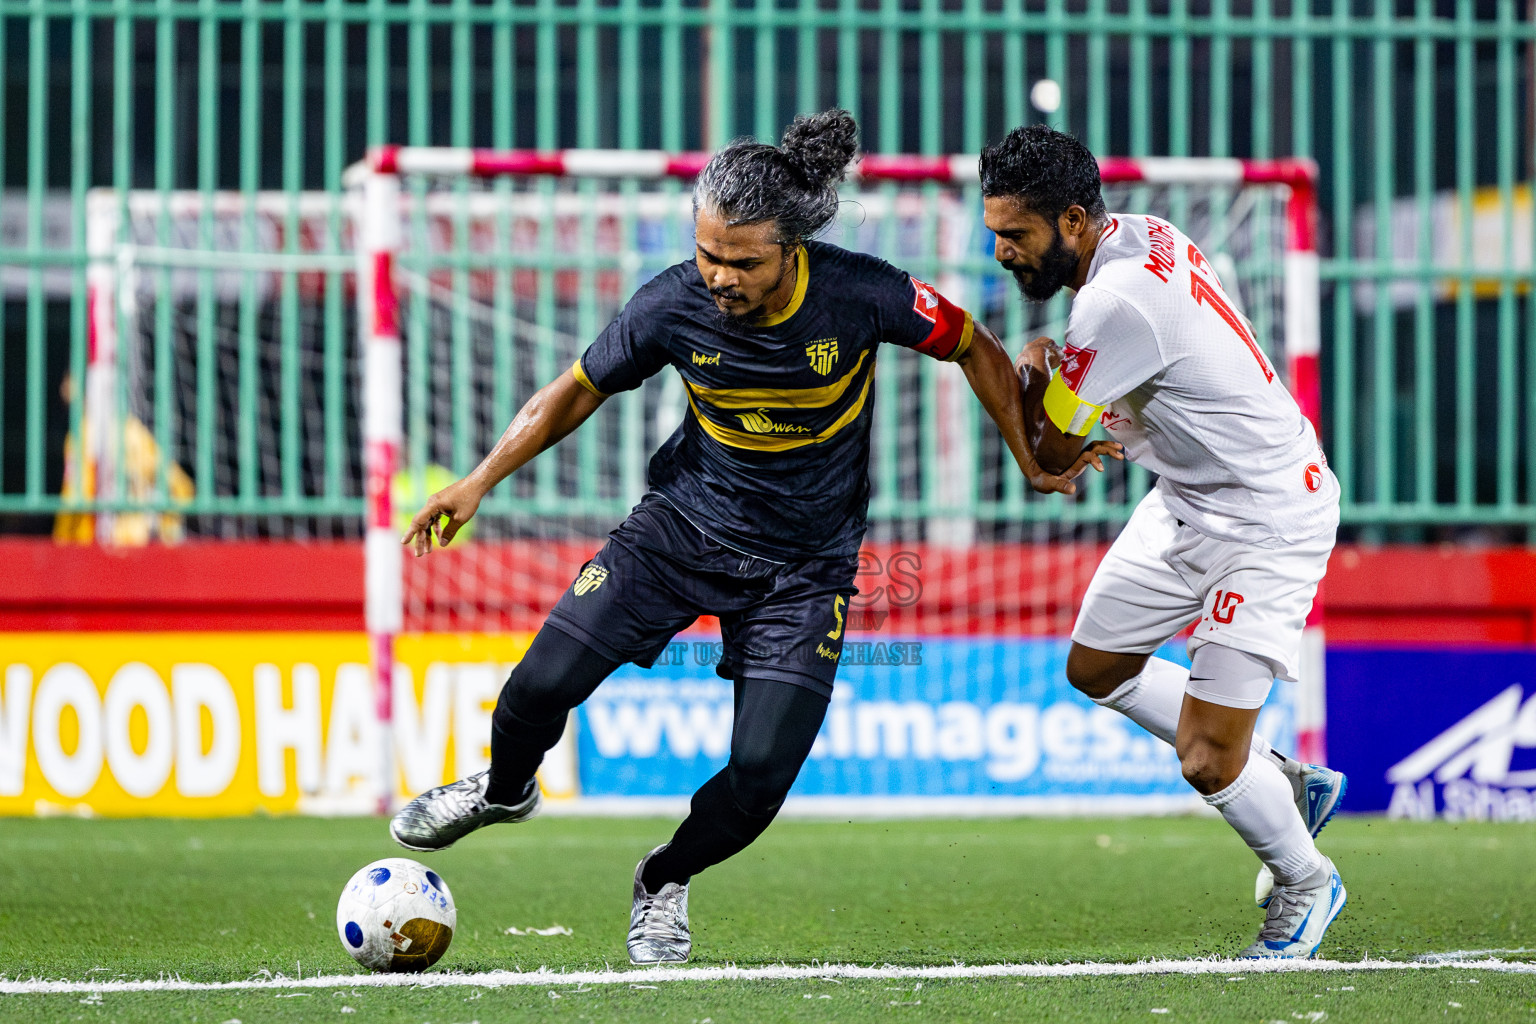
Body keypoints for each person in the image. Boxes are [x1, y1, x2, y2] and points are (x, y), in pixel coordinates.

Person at [391, 109, 1115, 965]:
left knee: (763, 775)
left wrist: (1030, 458)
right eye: (707, 255)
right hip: (681, 530)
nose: (719, 278)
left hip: (806, 570)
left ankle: (663, 878)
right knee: (536, 688)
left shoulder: (863, 293)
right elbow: (576, 388)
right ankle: (505, 792)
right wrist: (479, 480)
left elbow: (974, 345)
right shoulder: (670, 302)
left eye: (741, 261)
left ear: (792, 248)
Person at [979, 124, 1348, 959]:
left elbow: (1049, 456)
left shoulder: (1110, 304)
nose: (1000, 251)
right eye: (995, 230)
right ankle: (1283, 780)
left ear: (1073, 220)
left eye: (1016, 235)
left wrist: (1037, 364)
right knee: (1096, 669)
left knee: (1207, 761)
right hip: (1187, 496)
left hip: (1266, 519)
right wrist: (1093, 397)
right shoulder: (1145, 233)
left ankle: (1305, 877)